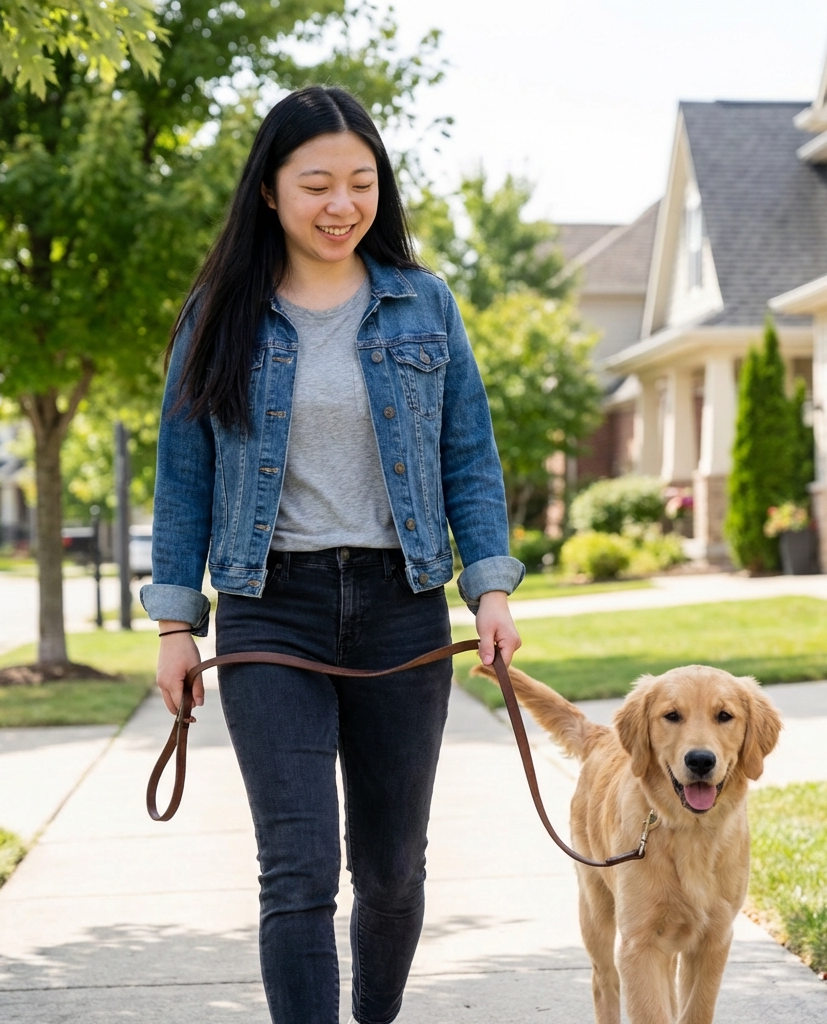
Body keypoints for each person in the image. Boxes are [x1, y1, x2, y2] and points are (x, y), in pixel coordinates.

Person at [141, 84, 524, 1024]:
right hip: (274, 606)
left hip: (401, 602)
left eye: (361, 182)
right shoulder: (220, 315)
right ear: (269, 191)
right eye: (316, 182)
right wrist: (174, 624)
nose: (341, 203)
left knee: (392, 869)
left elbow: (468, 455)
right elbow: (184, 477)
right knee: (298, 866)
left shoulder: (424, 305)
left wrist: (490, 590)